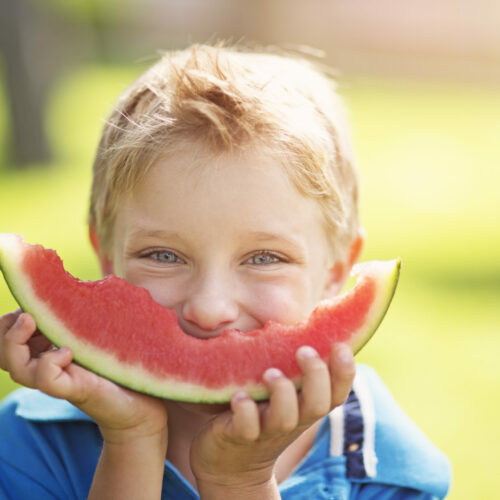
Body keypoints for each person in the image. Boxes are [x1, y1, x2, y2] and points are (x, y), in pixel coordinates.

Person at [0, 44, 451, 499]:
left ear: (337, 271)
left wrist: (240, 483)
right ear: (106, 257)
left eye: (263, 258)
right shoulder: (27, 443)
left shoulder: (388, 471)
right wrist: (132, 438)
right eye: (163, 255)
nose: (210, 308)